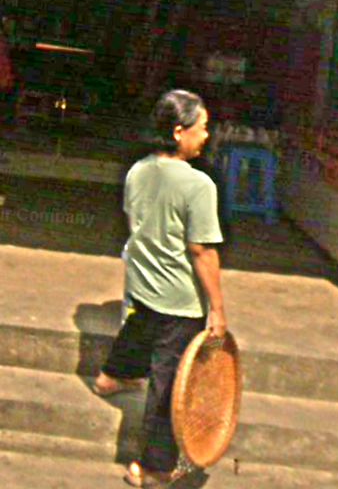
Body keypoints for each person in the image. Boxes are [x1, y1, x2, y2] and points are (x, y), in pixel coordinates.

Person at [93, 89, 227, 487]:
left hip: (143, 283)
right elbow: (202, 251)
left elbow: (136, 223)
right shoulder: (198, 185)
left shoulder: (138, 171)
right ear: (178, 131)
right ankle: (151, 466)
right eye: (202, 127)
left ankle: (112, 376)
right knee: (170, 385)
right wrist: (218, 308)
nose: (206, 136)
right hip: (180, 300)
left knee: (139, 327)